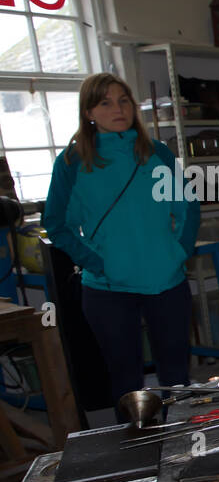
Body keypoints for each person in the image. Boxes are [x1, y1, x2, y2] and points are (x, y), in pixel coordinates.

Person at [43, 72, 199, 409]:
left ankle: (185, 451)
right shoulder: (72, 162)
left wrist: (179, 252)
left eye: (124, 100)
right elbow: (56, 225)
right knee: (126, 381)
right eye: (106, 102)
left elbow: (187, 206)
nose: (118, 108)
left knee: (176, 379)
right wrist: (98, 263)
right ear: (89, 112)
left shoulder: (156, 152)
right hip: (108, 289)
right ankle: (136, 453)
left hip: (167, 282)